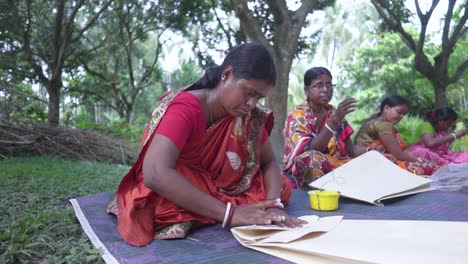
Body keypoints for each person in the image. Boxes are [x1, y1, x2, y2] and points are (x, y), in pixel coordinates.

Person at [106, 43, 306, 247]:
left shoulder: (249, 117)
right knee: (157, 202)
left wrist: (274, 206)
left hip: (227, 187)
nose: (252, 104)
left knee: (279, 185)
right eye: (248, 93)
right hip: (187, 182)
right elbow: (155, 172)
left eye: (258, 97)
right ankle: (215, 209)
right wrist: (230, 214)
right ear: (226, 75)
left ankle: (209, 210)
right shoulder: (186, 108)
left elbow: (269, 162)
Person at [283, 66, 366, 190]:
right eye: (319, 85)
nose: (326, 90)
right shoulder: (298, 115)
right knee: (312, 158)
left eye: (329, 85)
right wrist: (334, 121)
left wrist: (371, 152)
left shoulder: (334, 112)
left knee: (378, 160)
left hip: (338, 166)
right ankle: (320, 195)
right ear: (306, 90)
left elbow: (351, 149)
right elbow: (311, 149)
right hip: (307, 169)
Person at [354, 95, 439, 175]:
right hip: (370, 161)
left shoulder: (377, 122)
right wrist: (419, 161)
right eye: (399, 112)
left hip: (363, 160)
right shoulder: (383, 125)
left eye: (403, 114)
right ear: (386, 108)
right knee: (430, 166)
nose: (401, 116)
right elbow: (398, 154)